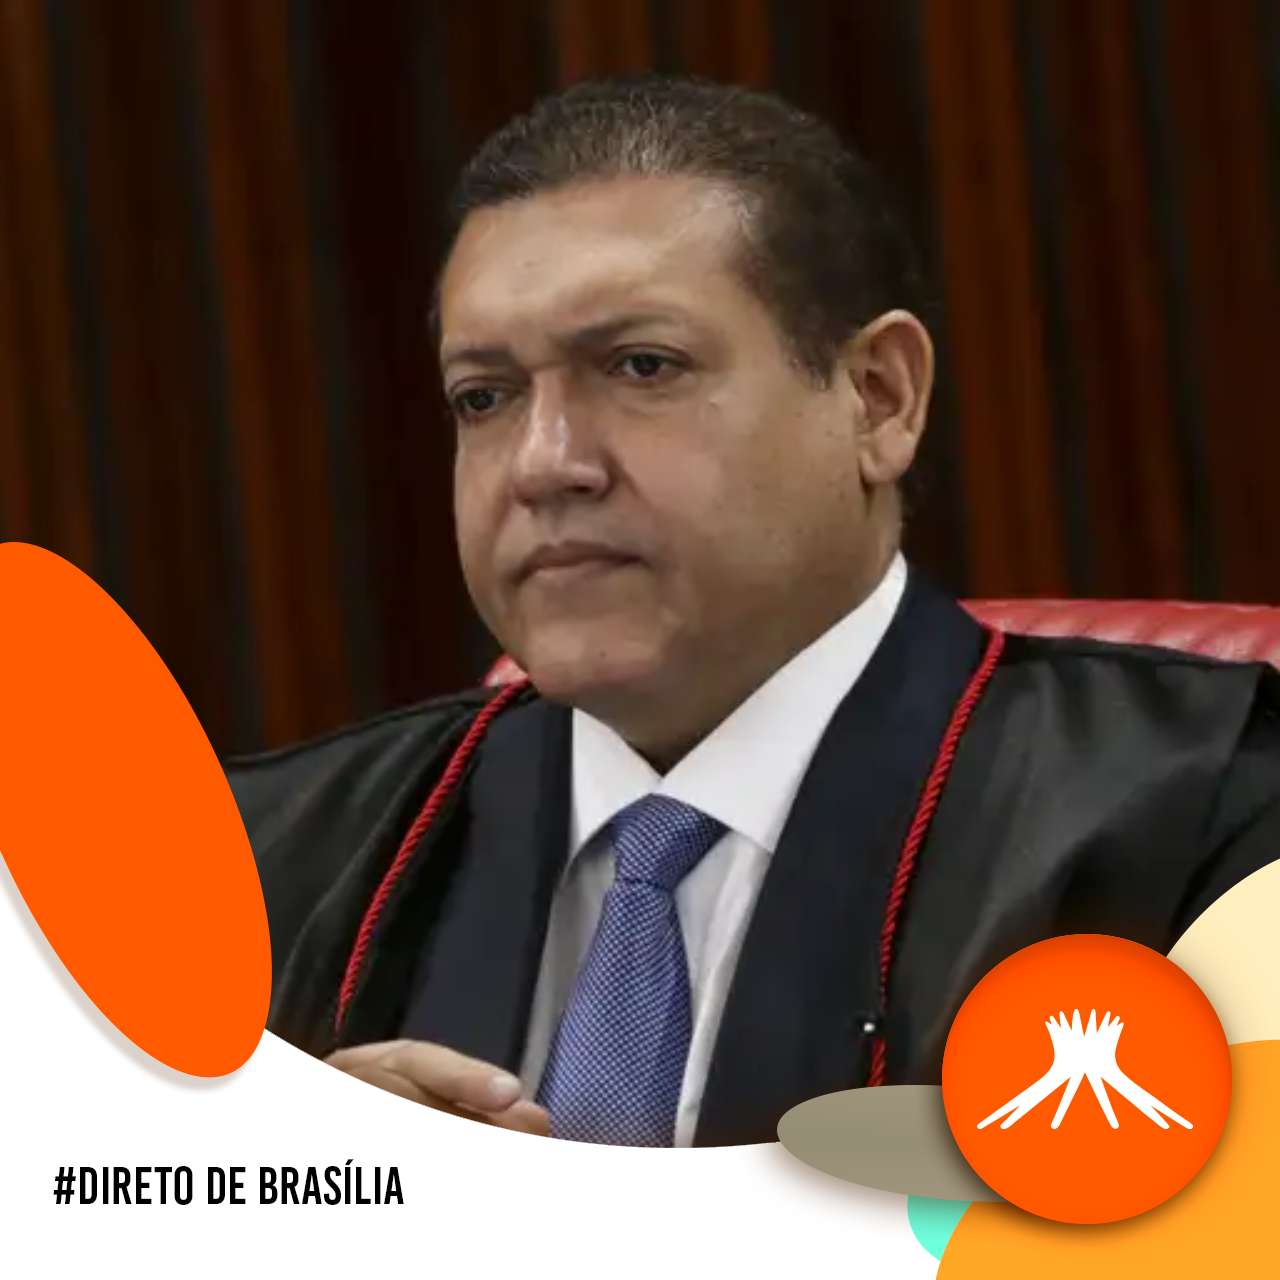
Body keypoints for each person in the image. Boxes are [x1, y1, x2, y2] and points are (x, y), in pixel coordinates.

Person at [228, 74, 1280, 1148]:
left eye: (641, 366)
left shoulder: (1213, 816)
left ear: (878, 397)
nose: (543, 464)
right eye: (485, 397)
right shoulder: (252, 863)